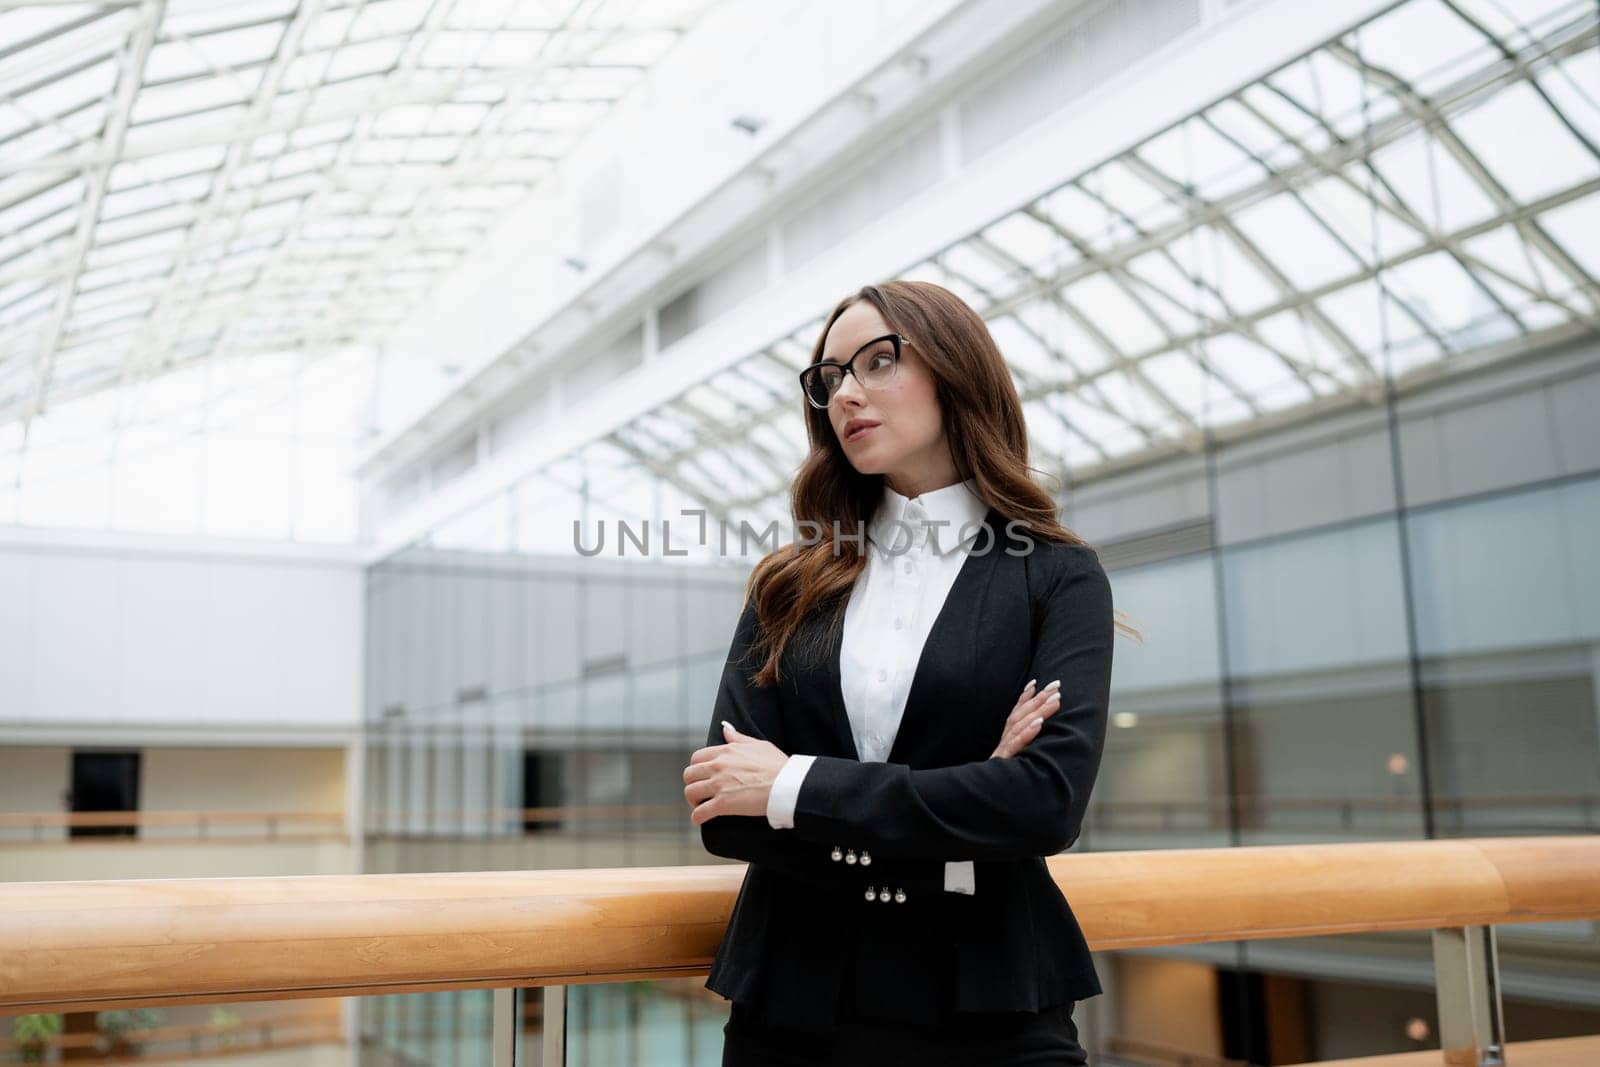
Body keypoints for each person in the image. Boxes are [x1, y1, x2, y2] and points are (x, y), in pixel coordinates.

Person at [682, 279, 1123, 1066]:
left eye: (878, 362)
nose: (845, 394)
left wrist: (794, 787)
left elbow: (1045, 804)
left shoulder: (1057, 576)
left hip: (993, 1015)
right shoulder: (786, 582)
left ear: (956, 369)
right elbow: (724, 808)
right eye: (829, 378)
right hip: (794, 1011)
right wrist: (968, 797)